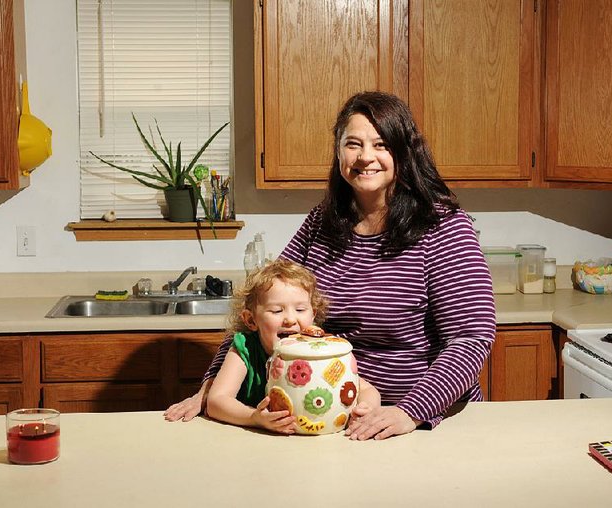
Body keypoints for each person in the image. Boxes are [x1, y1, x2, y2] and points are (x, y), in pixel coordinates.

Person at [164, 91, 496, 440]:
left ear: (403, 151)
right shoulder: (323, 222)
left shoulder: (442, 227)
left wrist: (408, 412)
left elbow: (471, 339)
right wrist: (210, 386)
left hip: (421, 423)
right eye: (353, 144)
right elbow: (261, 305)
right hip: (331, 419)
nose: (365, 157)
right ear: (338, 152)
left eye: (381, 144)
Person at [205, 258, 380, 433]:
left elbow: (368, 390)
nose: (290, 319)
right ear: (251, 320)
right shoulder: (246, 349)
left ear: (313, 315)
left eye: (300, 310)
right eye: (277, 311)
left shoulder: (322, 350)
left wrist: (365, 409)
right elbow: (216, 401)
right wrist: (254, 418)